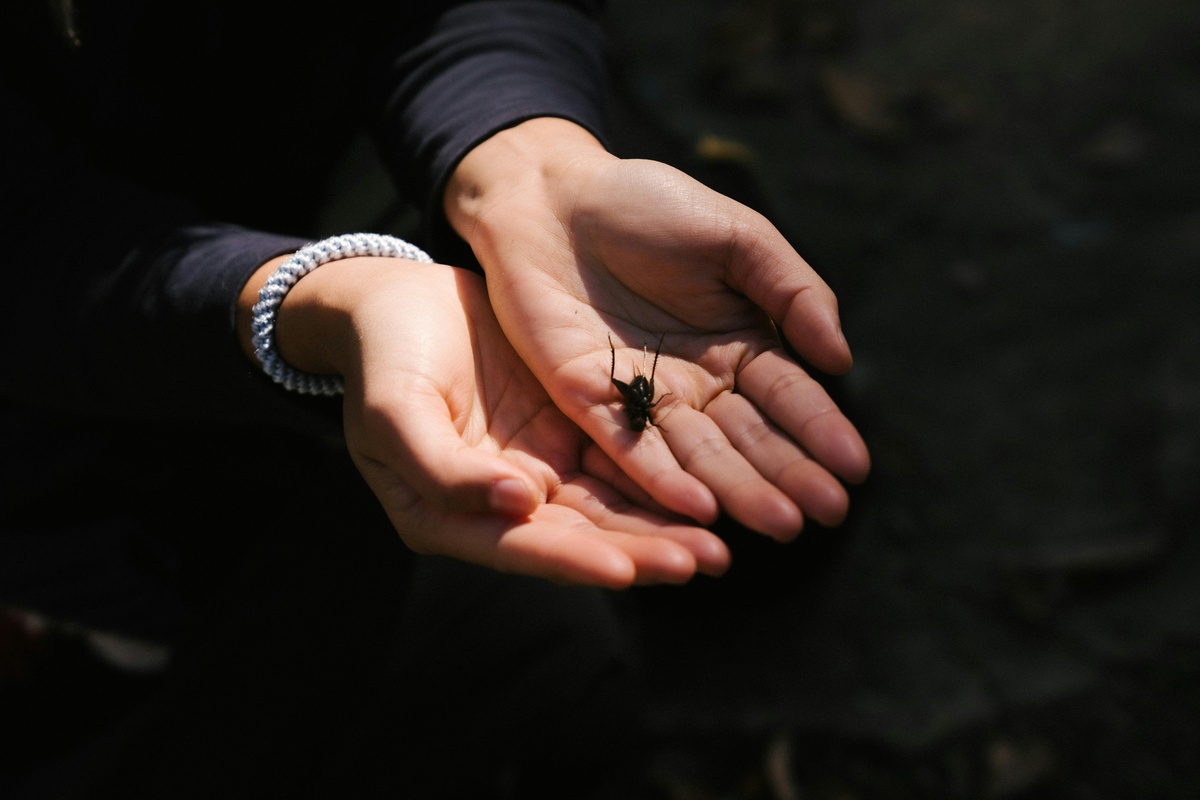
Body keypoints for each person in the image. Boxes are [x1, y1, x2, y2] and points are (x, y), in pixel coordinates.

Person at [1, 0, 869, 796]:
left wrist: (525, 152)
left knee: (768, 517)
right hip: (98, 434)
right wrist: (315, 304)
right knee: (518, 651)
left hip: (388, 178)